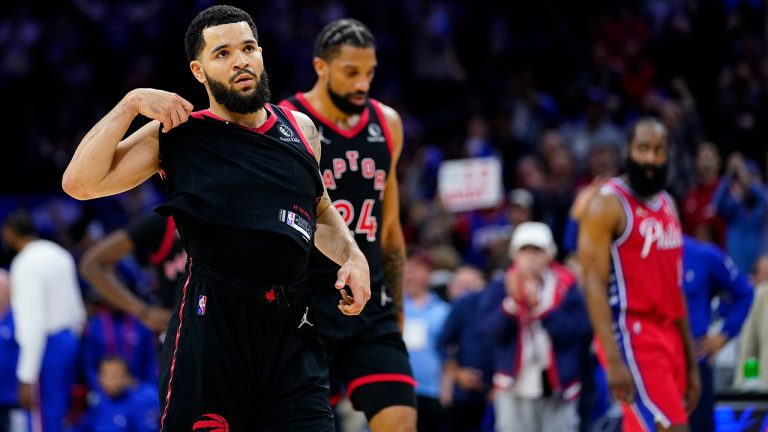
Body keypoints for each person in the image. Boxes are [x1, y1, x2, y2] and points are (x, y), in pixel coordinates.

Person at [61, 5, 371, 431]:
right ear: (199, 71)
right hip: (212, 333)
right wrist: (131, 103)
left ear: (261, 54)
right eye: (222, 53)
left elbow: (320, 212)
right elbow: (79, 183)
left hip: (291, 335)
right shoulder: (179, 133)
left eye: (247, 48)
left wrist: (353, 257)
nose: (240, 60)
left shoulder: (301, 130)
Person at [279, 18, 417, 431]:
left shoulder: (387, 123)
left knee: (400, 420)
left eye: (370, 73)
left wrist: (399, 307)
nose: (363, 83)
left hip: (370, 305)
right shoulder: (287, 121)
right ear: (320, 67)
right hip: (304, 309)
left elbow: (390, 230)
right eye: (351, 72)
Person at [577, 118, 701, 432]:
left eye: (659, 151)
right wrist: (613, 358)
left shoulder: (668, 204)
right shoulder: (606, 205)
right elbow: (593, 283)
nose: (650, 158)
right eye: (643, 148)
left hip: (669, 334)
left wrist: (690, 357)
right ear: (628, 151)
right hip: (632, 336)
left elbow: (675, 287)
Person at [480, 222, 591, 432]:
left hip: (558, 386)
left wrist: (541, 309)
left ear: (549, 254)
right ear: (515, 254)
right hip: (514, 386)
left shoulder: (567, 285)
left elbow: (576, 332)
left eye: (537, 250)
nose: (530, 257)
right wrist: (512, 304)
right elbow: (488, 330)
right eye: (525, 250)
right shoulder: (500, 284)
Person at [2, 209, 87, 432]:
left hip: (45, 346)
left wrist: (26, 376)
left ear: (10, 233)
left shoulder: (25, 263)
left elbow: (33, 323)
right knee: (62, 414)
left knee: (42, 420)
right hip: (68, 340)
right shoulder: (59, 253)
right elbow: (78, 309)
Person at [681, 234, 753, 432]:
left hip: (695, 362)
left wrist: (723, 335)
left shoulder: (701, 254)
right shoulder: (637, 253)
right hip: (651, 361)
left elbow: (744, 292)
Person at [80, 212, 186, 334]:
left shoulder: (211, 219)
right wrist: (143, 311)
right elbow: (91, 265)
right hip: (177, 332)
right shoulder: (164, 221)